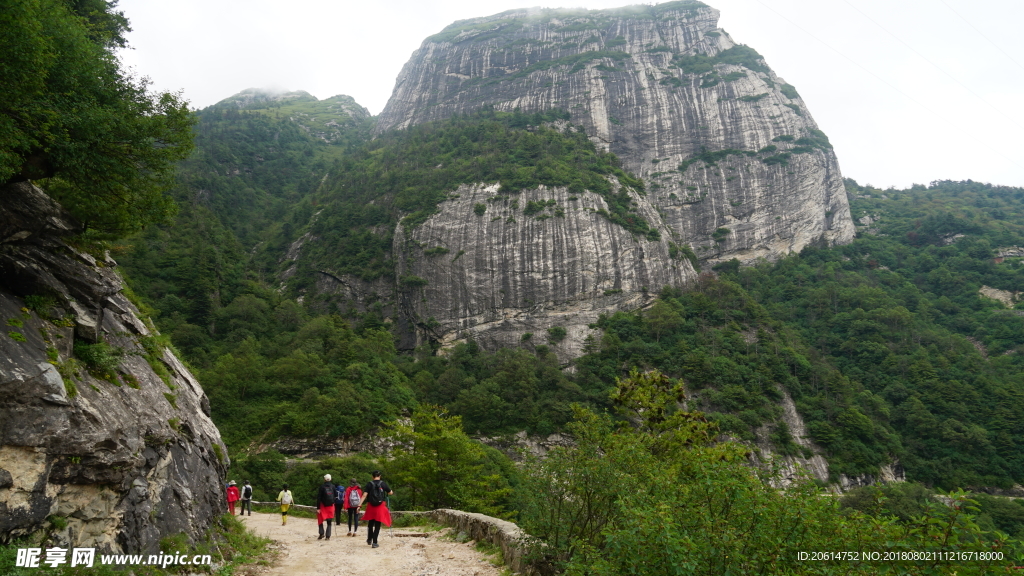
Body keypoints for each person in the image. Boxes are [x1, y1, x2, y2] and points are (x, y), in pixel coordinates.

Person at [359, 471, 392, 548]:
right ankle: (375, 542)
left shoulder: (369, 484)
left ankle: (369, 539)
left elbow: (364, 495)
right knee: (377, 524)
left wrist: (359, 505)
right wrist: (389, 492)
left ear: (372, 476)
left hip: (371, 505)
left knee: (370, 522)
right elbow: (390, 492)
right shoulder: (383, 484)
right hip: (380, 506)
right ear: (380, 476)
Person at [316, 473, 336, 540]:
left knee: (320, 520)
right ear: (330, 479)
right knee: (329, 521)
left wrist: (318, 507)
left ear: (324, 479)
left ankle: (321, 533)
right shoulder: (333, 486)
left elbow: (319, 498)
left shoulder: (322, 487)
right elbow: (336, 496)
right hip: (331, 506)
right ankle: (328, 536)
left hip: (322, 506)